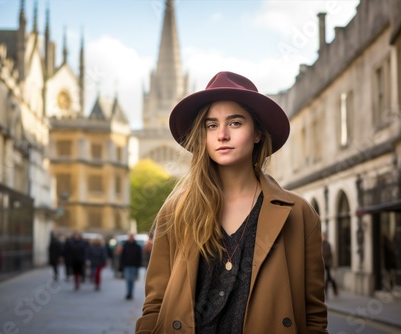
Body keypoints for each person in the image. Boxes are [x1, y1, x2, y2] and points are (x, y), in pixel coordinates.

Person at [136, 71, 327, 333]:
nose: (222, 135)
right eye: (211, 125)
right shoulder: (177, 210)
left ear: (258, 132)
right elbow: (155, 305)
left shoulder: (299, 214)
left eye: (235, 123)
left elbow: (313, 315)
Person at [120, 232, 143, 300]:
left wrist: (138, 264)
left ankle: (131, 293)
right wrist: (121, 265)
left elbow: (139, 256)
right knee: (128, 279)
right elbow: (122, 256)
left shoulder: (137, 246)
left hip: (134, 265)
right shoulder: (125, 245)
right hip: (127, 265)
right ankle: (128, 293)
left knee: (132, 280)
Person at [322, 232, 338, 298]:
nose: (323, 238)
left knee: (329, 278)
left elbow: (328, 254)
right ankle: (326, 293)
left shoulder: (327, 244)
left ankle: (334, 290)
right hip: (323, 264)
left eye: (324, 236)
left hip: (327, 264)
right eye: (322, 236)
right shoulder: (321, 244)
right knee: (325, 279)